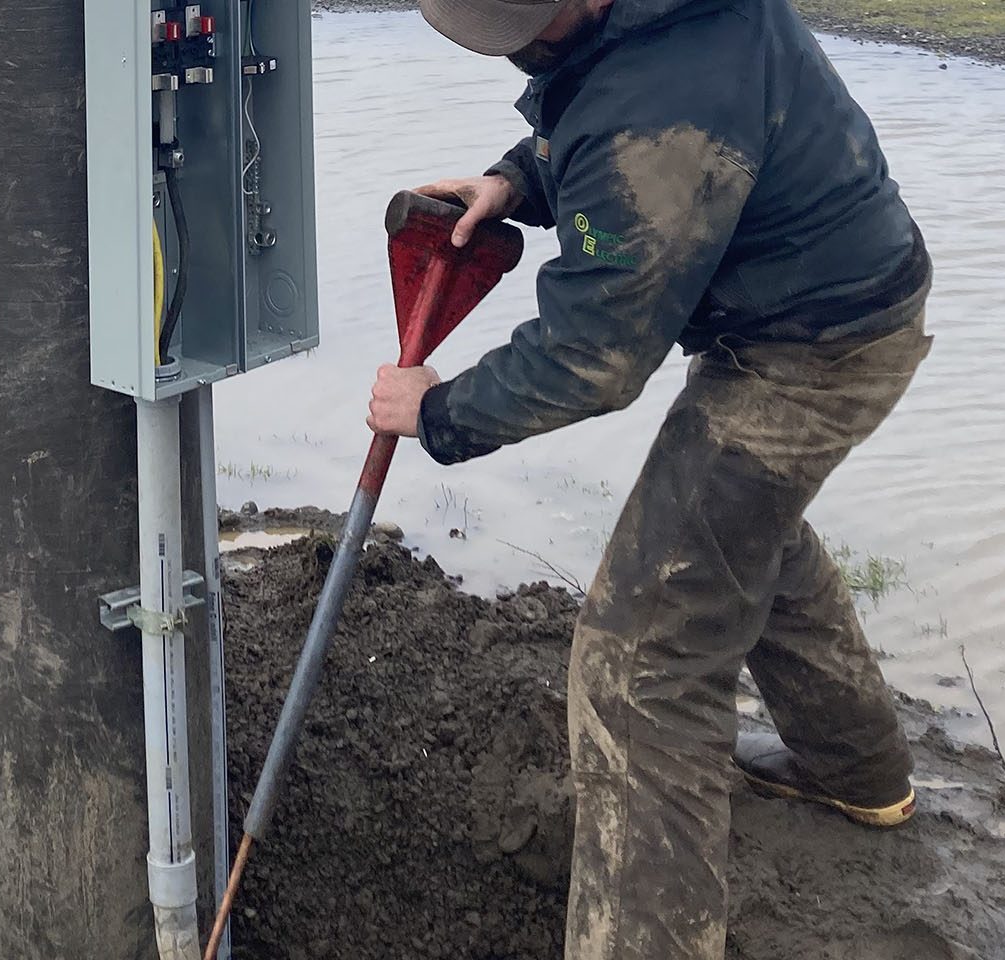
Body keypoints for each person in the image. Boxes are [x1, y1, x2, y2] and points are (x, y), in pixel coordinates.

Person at [362, 0, 935, 957]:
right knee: (739, 526)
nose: (525, 51)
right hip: (834, 304)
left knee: (636, 666)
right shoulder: (656, 25)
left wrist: (439, 410)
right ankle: (858, 774)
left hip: (809, 354)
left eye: (528, 33)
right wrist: (517, 180)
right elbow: (606, 123)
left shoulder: (654, 108)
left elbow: (594, 355)